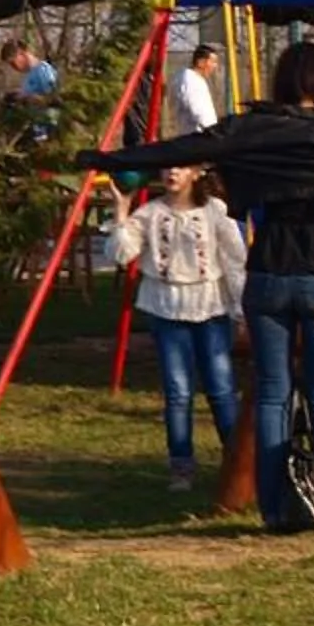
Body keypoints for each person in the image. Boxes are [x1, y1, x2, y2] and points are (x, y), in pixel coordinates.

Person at [95, 40, 314, 533]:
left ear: (282, 81)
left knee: (271, 395)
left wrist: (109, 159)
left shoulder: (254, 129)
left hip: (268, 276)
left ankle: (274, 510)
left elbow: (186, 147)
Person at [105, 163, 246, 490]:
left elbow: (234, 260)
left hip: (210, 307)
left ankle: (237, 461)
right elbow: (120, 254)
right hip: (167, 309)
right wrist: (121, 210)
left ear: (195, 173)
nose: (172, 173)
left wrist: (241, 308)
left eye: (181, 168)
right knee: (178, 392)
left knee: (221, 388)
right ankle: (181, 466)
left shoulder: (214, 210)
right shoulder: (150, 213)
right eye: (168, 168)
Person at [172, 42, 223, 133]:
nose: (215, 66)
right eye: (212, 62)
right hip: (198, 135)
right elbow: (198, 111)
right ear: (201, 62)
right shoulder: (191, 81)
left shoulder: (193, 79)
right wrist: (212, 130)